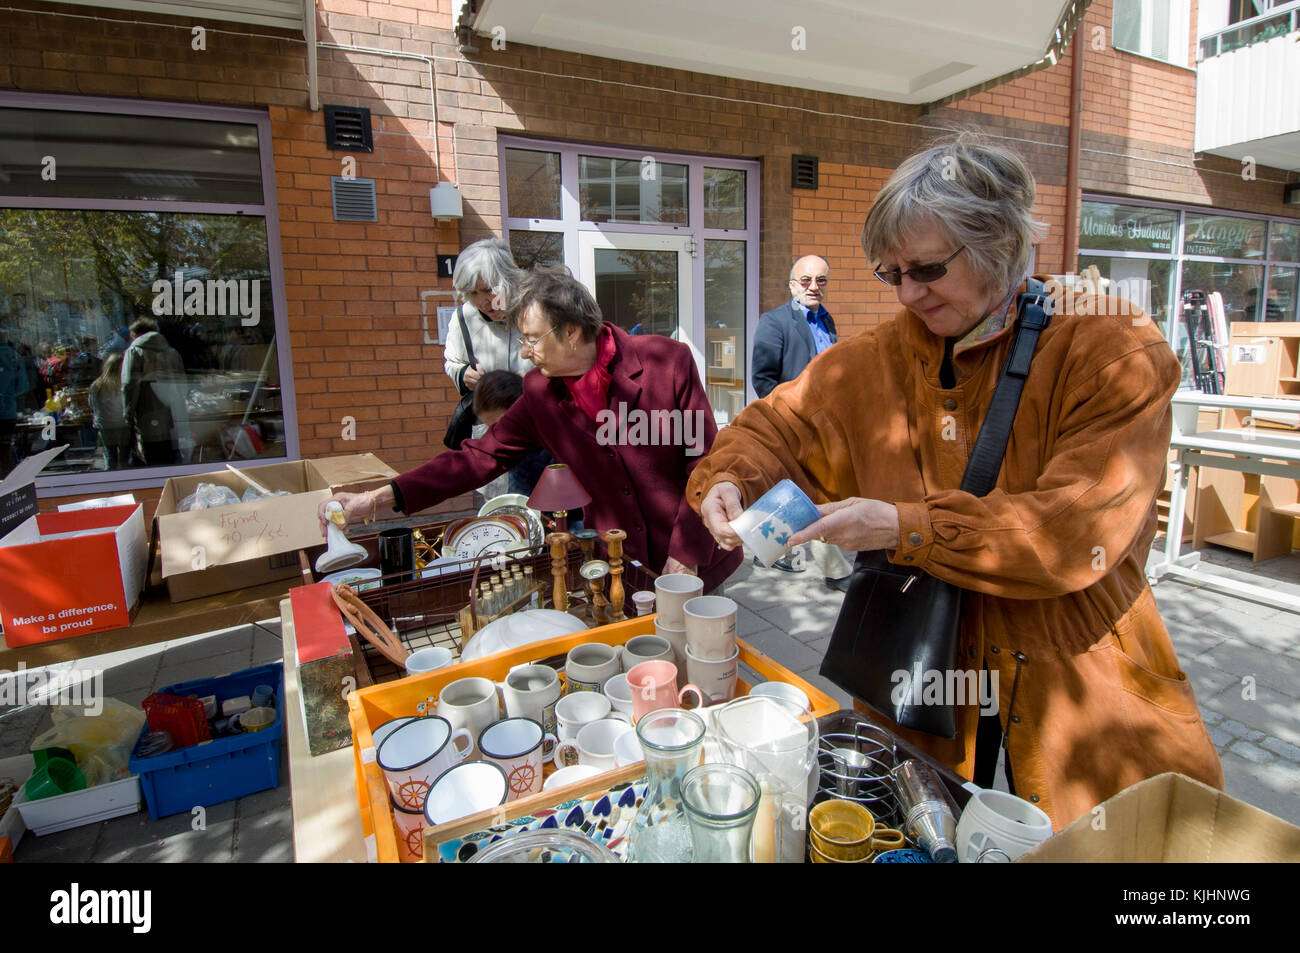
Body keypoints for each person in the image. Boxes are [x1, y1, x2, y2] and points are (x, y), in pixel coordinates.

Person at [688, 134, 1223, 830]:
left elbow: (1077, 527)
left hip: (1083, 693)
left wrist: (906, 527)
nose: (908, 293)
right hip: (920, 685)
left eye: (928, 268)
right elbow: (776, 425)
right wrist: (729, 477)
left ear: (997, 244)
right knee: (916, 833)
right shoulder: (878, 356)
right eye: (891, 273)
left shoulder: (1109, 345)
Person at [320, 267, 741, 593]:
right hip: (620, 558)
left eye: (533, 338)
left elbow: (704, 463)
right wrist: (375, 498)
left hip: (692, 549)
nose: (525, 352)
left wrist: (685, 556)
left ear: (573, 332)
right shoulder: (541, 392)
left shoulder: (667, 361)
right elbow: (478, 458)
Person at [751, 254, 854, 589]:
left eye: (821, 280)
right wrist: (790, 417)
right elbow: (763, 378)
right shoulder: (775, 321)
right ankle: (836, 570)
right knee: (813, 494)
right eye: (806, 280)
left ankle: (763, 543)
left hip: (826, 425)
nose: (814, 286)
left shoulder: (827, 321)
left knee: (794, 489)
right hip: (792, 424)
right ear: (792, 284)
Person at [445, 237, 535, 500]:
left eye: (489, 290)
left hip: (535, 431)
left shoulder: (535, 309)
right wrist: (463, 375)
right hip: (491, 432)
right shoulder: (463, 317)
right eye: (473, 294)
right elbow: (453, 362)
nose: (483, 301)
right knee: (498, 512)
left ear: (509, 279)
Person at [472, 370, 553, 497]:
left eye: (501, 425)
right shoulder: (513, 446)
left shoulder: (551, 441)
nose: (496, 434)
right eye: (490, 427)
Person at [121, 317, 186, 466]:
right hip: (173, 417)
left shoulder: (134, 351)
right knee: (173, 460)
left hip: (147, 417)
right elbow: (182, 385)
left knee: (153, 463)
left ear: (135, 335)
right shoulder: (172, 352)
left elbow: (129, 385)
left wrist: (128, 415)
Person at [88, 352, 130, 471]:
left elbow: (92, 404)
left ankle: (111, 479)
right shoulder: (124, 383)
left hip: (105, 424)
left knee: (109, 455)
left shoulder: (97, 385)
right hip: (123, 423)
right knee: (125, 456)